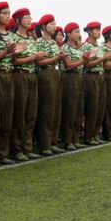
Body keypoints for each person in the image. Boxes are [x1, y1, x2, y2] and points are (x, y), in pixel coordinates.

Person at [0, 1, 24, 166]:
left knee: (7, 116)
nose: (8, 16)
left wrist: (15, 54)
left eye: (9, 13)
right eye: (4, 13)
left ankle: (3, 153)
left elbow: (13, 61)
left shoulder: (11, 36)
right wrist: (6, 51)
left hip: (9, 75)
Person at [10, 8, 45, 161]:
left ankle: (27, 147)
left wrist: (38, 57)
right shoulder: (13, 38)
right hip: (20, 75)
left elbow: (36, 59)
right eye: (26, 17)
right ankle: (17, 149)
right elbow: (14, 61)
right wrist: (33, 57)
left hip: (32, 76)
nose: (29, 20)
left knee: (31, 113)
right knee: (20, 113)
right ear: (18, 21)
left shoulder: (31, 40)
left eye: (30, 17)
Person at [34, 14, 65, 156]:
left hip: (56, 73)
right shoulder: (39, 42)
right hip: (46, 73)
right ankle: (45, 144)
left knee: (56, 110)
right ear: (44, 26)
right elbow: (39, 62)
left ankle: (53, 142)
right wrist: (57, 57)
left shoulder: (53, 42)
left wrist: (60, 57)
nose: (54, 26)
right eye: (51, 24)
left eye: (54, 23)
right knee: (47, 109)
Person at [60, 22, 87, 150]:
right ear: (68, 33)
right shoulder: (65, 47)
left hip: (79, 77)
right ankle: (68, 140)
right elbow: (69, 65)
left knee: (78, 110)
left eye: (79, 31)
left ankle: (75, 139)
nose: (78, 34)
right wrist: (83, 60)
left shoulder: (79, 48)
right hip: (70, 78)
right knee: (70, 110)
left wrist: (86, 60)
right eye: (76, 31)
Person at [81, 22, 108, 145]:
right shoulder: (86, 46)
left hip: (101, 76)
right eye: (96, 30)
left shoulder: (100, 46)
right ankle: (89, 136)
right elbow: (86, 65)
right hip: (91, 76)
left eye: (99, 30)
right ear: (90, 32)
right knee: (92, 107)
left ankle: (96, 134)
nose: (99, 32)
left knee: (100, 107)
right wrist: (102, 59)